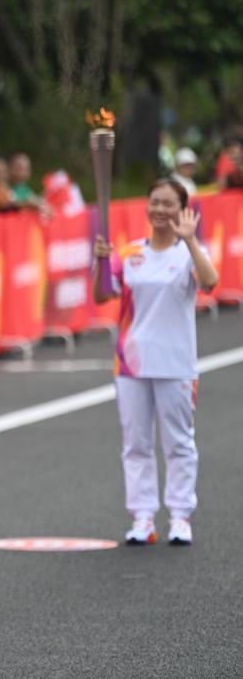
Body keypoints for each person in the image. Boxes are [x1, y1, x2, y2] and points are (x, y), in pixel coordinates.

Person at [93, 178, 218, 546]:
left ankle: (180, 517)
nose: (160, 210)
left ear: (182, 211)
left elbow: (210, 282)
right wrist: (100, 262)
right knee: (136, 443)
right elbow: (102, 295)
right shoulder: (130, 253)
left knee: (179, 443)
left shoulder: (189, 253)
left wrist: (192, 240)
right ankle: (143, 517)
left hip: (176, 363)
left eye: (169, 204)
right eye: (155, 203)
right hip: (131, 365)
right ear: (147, 207)